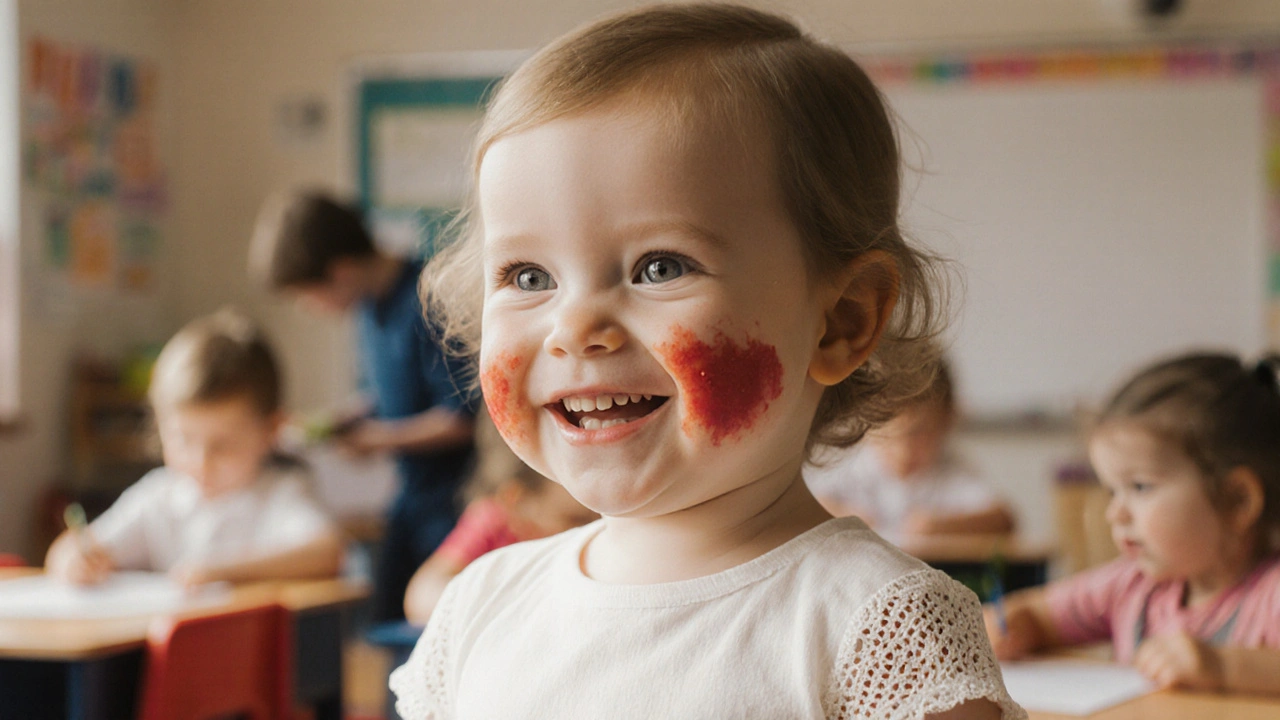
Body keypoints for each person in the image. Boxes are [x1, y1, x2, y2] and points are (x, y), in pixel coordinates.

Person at [389, 5, 1022, 718]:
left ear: (841, 322)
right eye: (528, 277)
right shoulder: (479, 606)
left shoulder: (880, 630)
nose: (574, 328)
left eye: (659, 267)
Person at [986, 352, 1280, 696]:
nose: (1115, 513)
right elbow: (1037, 614)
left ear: (1237, 501)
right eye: (1112, 490)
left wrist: (1223, 666)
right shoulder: (1130, 585)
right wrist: (1017, 624)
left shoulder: (1271, 594)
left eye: (1140, 487)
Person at [250, 190, 476, 622]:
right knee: (384, 612)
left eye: (308, 296)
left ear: (341, 271)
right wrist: (345, 419)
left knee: (440, 617)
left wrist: (378, 440)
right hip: (409, 496)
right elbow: (393, 395)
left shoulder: (429, 300)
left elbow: (460, 418)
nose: (311, 309)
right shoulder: (369, 312)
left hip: (453, 500)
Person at [46, 309, 344, 588]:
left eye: (223, 445)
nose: (201, 461)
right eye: (183, 440)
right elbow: (69, 549)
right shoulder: (158, 497)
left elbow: (326, 552)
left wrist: (222, 572)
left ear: (271, 430)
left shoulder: (282, 494)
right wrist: (74, 559)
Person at [403, 413, 597, 624]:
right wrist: (504, 603)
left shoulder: (601, 522)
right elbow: (422, 595)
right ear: (516, 496)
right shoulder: (496, 521)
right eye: (568, 470)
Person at [806, 354, 1015, 542]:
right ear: (864, 429)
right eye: (888, 437)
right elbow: (806, 504)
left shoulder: (949, 469)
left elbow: (1004, 520)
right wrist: (843, 516)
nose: (903, 451)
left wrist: (937, 527)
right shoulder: (850, 465)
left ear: (947, 421)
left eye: (919, 434)